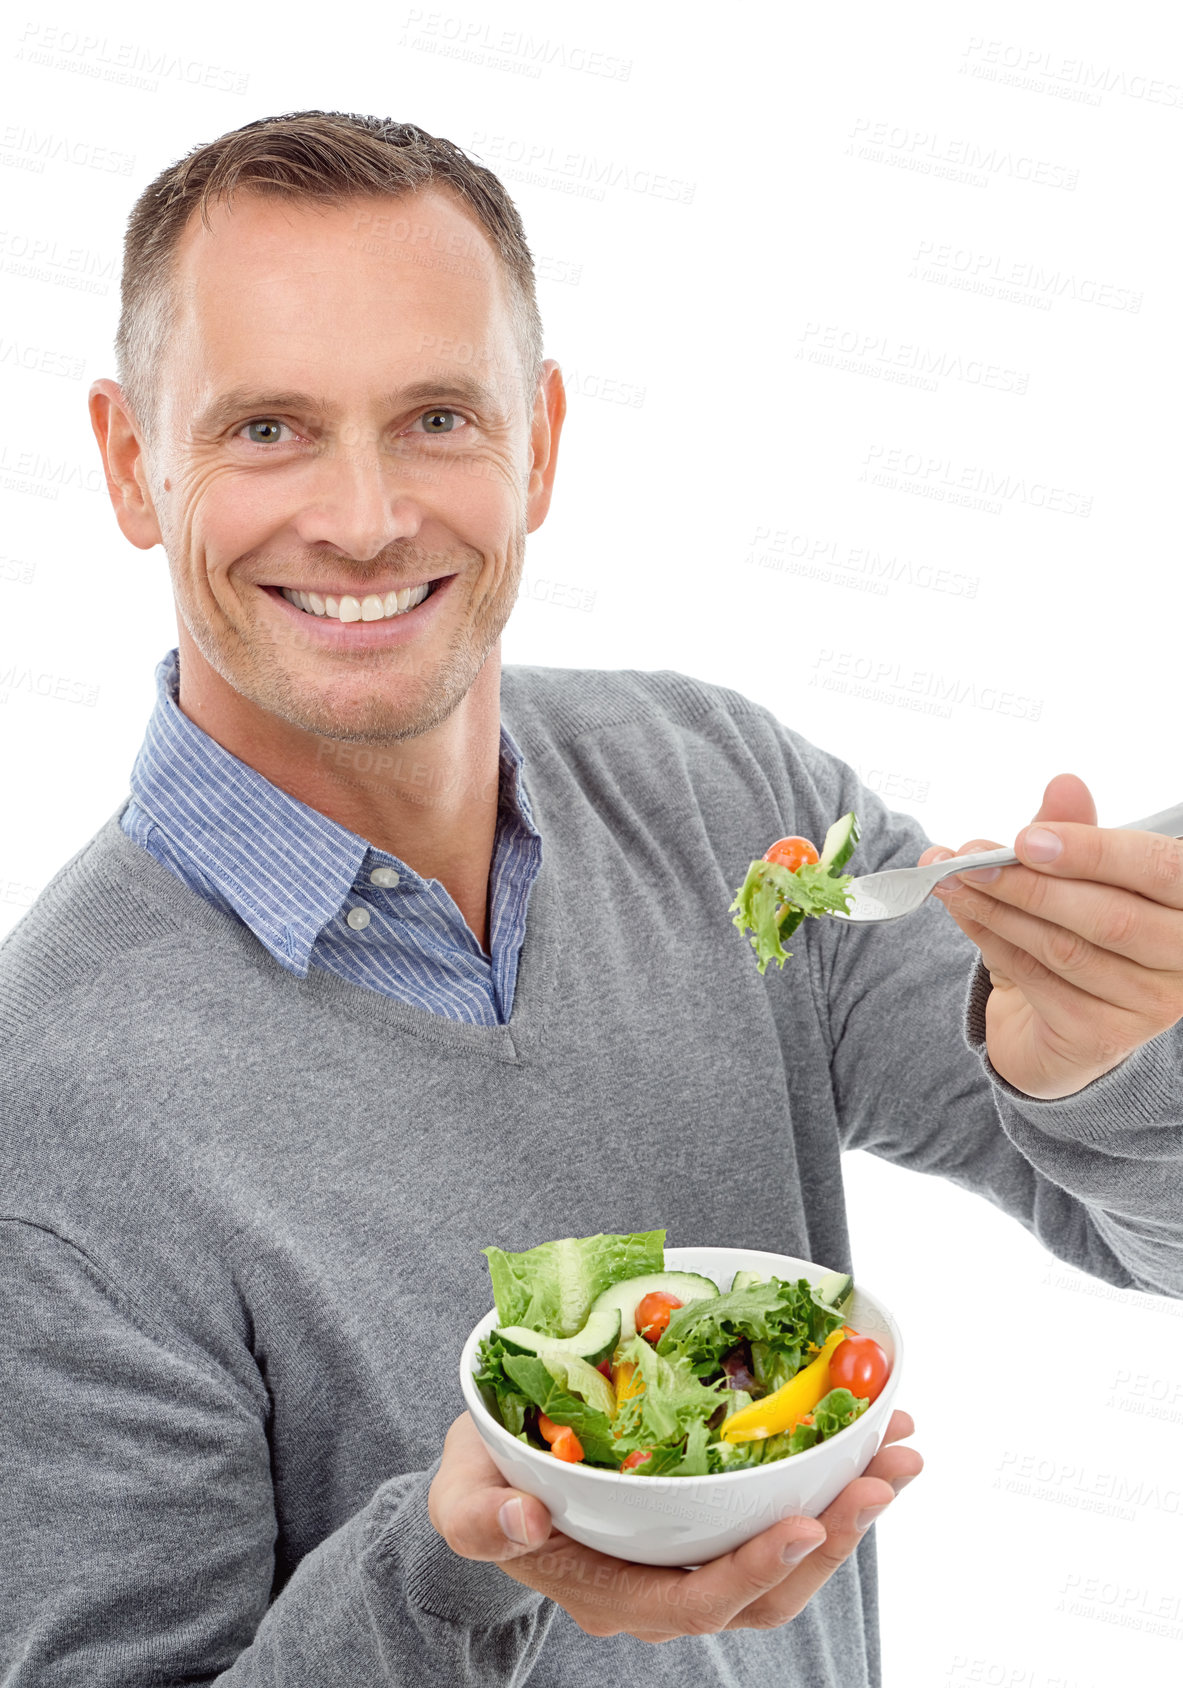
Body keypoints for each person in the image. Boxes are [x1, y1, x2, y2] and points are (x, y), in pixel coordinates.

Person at [2, 109, 1181, 1687]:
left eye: (436, 417)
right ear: (130, 463)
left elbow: (1155, 1235)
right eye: (267, 429)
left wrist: (1100, 1060)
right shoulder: (54, 1108)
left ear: (541, 441)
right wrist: (454, 1572)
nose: (361, 516)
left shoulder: (724, 800)